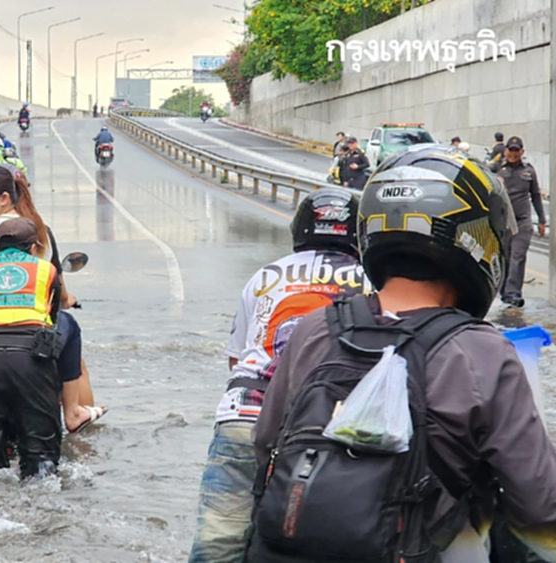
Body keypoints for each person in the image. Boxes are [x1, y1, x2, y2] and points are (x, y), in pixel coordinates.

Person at [250, 145, 556, 563]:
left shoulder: (315, 328)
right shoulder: (482, 350)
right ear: (479, 237)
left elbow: (265, 445)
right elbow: (539, 505)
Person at [188, 187, 369, 563]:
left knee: (219, 542)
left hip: (246, 414)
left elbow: (236, 361)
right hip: (330, 428)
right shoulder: (372, 282)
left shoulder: (266, 275)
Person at [0, 166, 102, 435]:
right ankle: (74, 413)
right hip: (33, 336)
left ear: (3, 198)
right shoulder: (40, 231)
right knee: (72, 339)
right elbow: (55, 287)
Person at [0, 217, 64, 479]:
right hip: (31, 359)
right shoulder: (45, 271)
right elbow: (53, 318)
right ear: (32, 248)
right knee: (41, 454)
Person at [489, 136, 547, 308]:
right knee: (504, 258)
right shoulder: (496, 169)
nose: (513, 154)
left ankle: (513, 293)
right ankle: (504, 292)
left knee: (518, 256)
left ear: (522, 152)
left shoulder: (529, 171)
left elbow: (536, 195)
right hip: (503, 223)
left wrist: (542, 220)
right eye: (510, 150)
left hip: (522, 222)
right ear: (505, 151)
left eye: (517, 151)